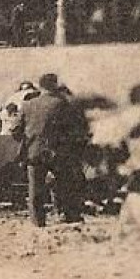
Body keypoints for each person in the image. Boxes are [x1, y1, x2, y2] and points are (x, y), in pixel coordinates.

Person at [12, 72, 86, 226]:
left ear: (40, 86)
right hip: (58, 151)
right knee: (63, 184)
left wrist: (28, 139)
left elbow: (15, 130)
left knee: (35, 188)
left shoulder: (28, 105)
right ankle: (65, 214)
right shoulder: (63, 104)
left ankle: (37, 221)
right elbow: (76, 128)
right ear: (55, 85)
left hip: (34, 150)